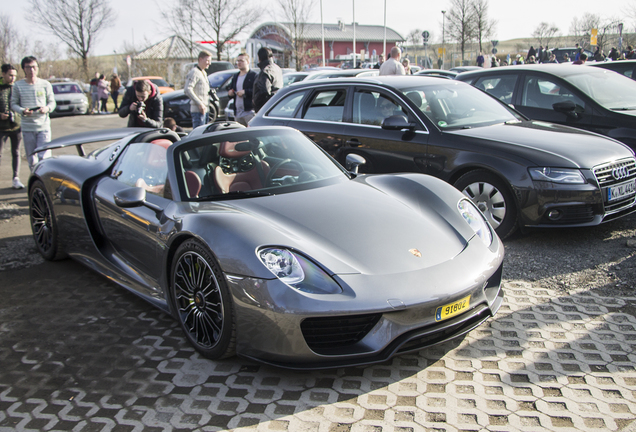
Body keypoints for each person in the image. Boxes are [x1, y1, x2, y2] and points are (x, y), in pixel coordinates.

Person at [10, 56, 55, 170]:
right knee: (32, 158)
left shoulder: (45, 84)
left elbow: (52, 102)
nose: (32, 70)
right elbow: (13, 104)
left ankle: (45, 180)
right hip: (28, 127)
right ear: (24, 69)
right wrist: (22, 111)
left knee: (44, 156)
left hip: (43, 126)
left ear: (38, 68)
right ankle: (35, 181)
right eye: (28, 67)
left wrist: (47, 108)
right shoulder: (18, 85)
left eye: (34, 67)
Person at [0, 64, 23, 189]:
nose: (13, 78)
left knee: (16, 152)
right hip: (1, 128)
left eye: (14, 75)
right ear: (3, 74)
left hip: (16, 126)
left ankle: (16, 178)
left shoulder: (18, 88)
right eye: (10, 75)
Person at [184, 50, 212, 129]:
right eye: (207, 60)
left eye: (210, 61)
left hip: (205, 109)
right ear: (200, 59)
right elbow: (187, 89)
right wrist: (199, 103)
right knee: (199, 134)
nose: (209, 63)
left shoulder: (203, 72)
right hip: (198, 110)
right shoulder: (195, 72)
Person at [228, 53, 257, 126]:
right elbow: (231, 89)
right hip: (237, 112)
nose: (239, 63)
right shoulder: (235, 76)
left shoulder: (253, 75)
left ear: (248, 62)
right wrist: (230, 93)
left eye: (241, 61)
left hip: (249, 111)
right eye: (237, 61)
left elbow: (256, 91)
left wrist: (245, 92)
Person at [252, 47, 283, 113]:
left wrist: (255, 101)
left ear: (259, 58)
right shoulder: (277, 68)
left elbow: (264, 92)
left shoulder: (265, 71)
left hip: (265, 109)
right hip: (276, 105)